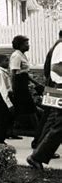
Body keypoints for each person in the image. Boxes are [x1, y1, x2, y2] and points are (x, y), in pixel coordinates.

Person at [27, 30, 62, 170]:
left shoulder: (56, 45)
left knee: (51, 120)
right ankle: (38, 154)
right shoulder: (60, 45)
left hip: (53, 87)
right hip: (58, 87)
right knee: (57, 123)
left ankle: (39, 149)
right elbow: (55, 68)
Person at [9, 35, 41, 136]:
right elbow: (13, 73)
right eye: (26, 44)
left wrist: (35, 83)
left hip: (23, 83)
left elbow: (24, 73)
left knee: (19, 110)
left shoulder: (22, 55)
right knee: (31, 109)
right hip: (18, 85)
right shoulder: (16, 56)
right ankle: (39, 134)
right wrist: (12, 88)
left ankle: (7, 131)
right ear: (20, 45)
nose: (28, 45)